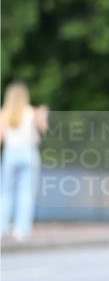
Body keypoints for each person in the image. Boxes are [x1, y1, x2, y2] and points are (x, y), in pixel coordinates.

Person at [0, 82, 48, 240]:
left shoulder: (4, 113)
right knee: (26, 193)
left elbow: (1, 137)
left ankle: (2, 227)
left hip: (11, 152)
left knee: (5, 192)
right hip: (29, 152)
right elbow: (43, 130)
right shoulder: (32, 112)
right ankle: (21, 230)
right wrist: (43, 116)